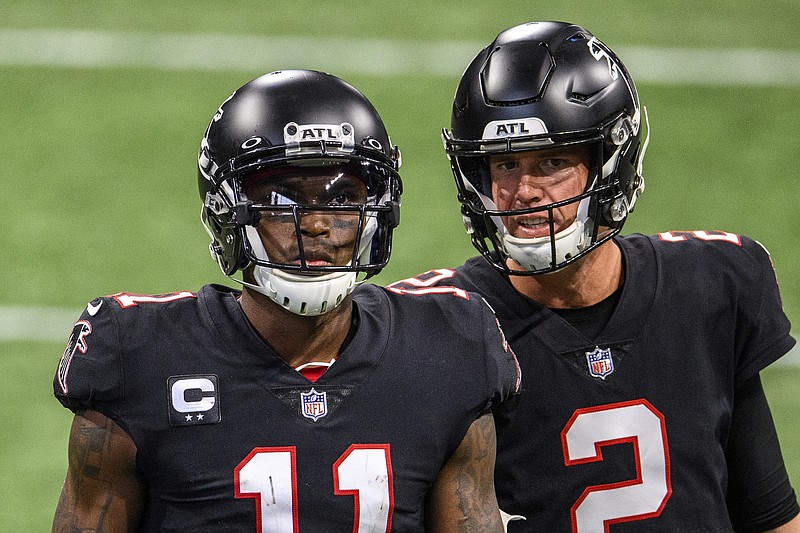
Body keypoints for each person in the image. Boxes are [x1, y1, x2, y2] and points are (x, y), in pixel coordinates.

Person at [51, 69, 520, 532]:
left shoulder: (448, 349)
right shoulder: (137, 356)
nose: (316, 224)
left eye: (342, 197)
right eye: (281, 199)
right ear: (226, 210)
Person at [389, 22, 800, 532]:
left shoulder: (709, 285)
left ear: (611, 161)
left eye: (554, 161)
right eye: (506, 164)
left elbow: (771, 514)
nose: (524, 192)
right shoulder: (440, 324)